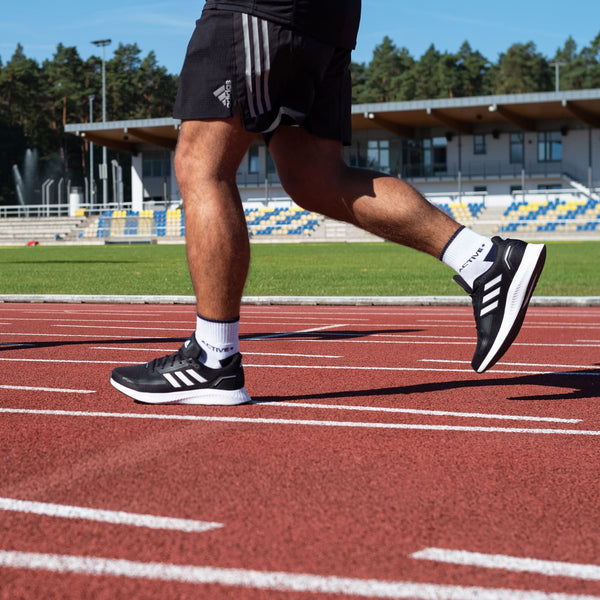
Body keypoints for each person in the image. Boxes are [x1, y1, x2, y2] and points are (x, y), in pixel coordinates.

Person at [110, 0, 546, 405]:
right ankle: (482, 259)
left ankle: (213, 358)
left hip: (260, 6)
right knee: (317, 178)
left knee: (203, 166)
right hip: (328, 18)